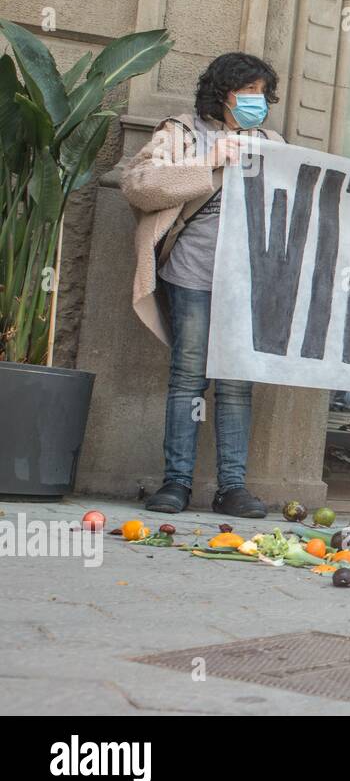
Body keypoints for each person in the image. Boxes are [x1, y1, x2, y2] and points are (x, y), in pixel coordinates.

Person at [122, 52, 282, 518]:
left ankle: (232, 487)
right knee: (188, 379)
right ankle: (175, 484)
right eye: (248, 91)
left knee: (236, 384)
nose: (258, 101)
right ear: (224, 91)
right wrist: (207, 163)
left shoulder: (271, 142)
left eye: (262, 93)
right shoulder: (184, 132)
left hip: (245, 284)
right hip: (192, 273)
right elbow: (139, 184)